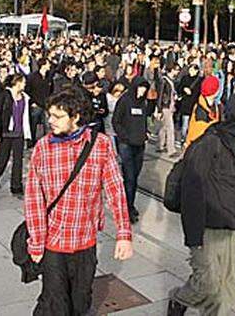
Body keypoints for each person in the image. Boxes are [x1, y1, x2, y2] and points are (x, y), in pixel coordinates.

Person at [24, 86, 133, 315]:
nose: (50, 121)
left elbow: (115, 190)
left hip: (85, 241)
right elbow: (34, 199)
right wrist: (36, 241)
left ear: (75, 117)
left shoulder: (100, 145)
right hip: (53, 243)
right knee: (55, 304)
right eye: (49, 115)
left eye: (58, 116)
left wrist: (123, 234)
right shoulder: (43, 148)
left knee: (81, 302)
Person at [168, 94, 235, 316]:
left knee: (226, 287)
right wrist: (194, 238)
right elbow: (192, 191)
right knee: (209, 285)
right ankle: (179, 298)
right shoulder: (209, 143)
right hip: (206, 227)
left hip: (230, 228)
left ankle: (186, 300)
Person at [112, 77, 150, 224]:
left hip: (139, 144)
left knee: (134, 178)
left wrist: (145, 132)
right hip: (126, 145)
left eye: (144, 89)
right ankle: (126, 209)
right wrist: (124, 137)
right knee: (129, 177)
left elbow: (143, 120)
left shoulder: (143, 103)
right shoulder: (125, 100)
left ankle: (130, 204)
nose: (142, 91)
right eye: (140, 88)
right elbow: (116, 121)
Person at [0, 74, 32, 197]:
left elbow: (25, 117)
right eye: (23, 82)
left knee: (18, 160)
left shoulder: (24, 98)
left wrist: (27, 134)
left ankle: (16, 186)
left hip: (19, 132)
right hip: (6, 132)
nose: (25, 84)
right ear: (17, 83)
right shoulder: (5, 95)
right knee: (3, 158)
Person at [184, 75, 221, 148]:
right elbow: (198, 135)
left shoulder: (214, 106)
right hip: (198, 149)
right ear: (215, 91)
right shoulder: (200, 110)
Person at [26, 58, 53, 147]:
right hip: (36, 105)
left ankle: (47, 143)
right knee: (33, 124)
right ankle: (32, 142)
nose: (49, 65)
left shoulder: (49, 77)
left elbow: (51, 90)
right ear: (43, 65)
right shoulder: (32, 77)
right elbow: (27, 90)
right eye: (48, 63)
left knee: (47, 125)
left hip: (46, 105)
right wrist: (32, 102)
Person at [156, 64, 180, 157]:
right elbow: (161, 95)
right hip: (166, 106)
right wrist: (159, 108)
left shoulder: (170, 81)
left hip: (169, 106)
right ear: (172, 70)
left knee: (164, 127)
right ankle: (171, 150)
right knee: (170, 128)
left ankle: (160, 145)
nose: (178, 72)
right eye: (176, 70)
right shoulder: (164, 81)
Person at [176, 64, 202, 142]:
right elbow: (179, 88)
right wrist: (184, 89)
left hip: (194, 104)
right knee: (185, 122)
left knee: (191, 123)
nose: (190, 72)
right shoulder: (185, 78)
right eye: (190, 70)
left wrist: (192, 92)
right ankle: (183, 138)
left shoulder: (199, 80)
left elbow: (199, 93)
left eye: (192, 70)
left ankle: (188, 137)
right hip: (185, 104)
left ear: (196, 71)